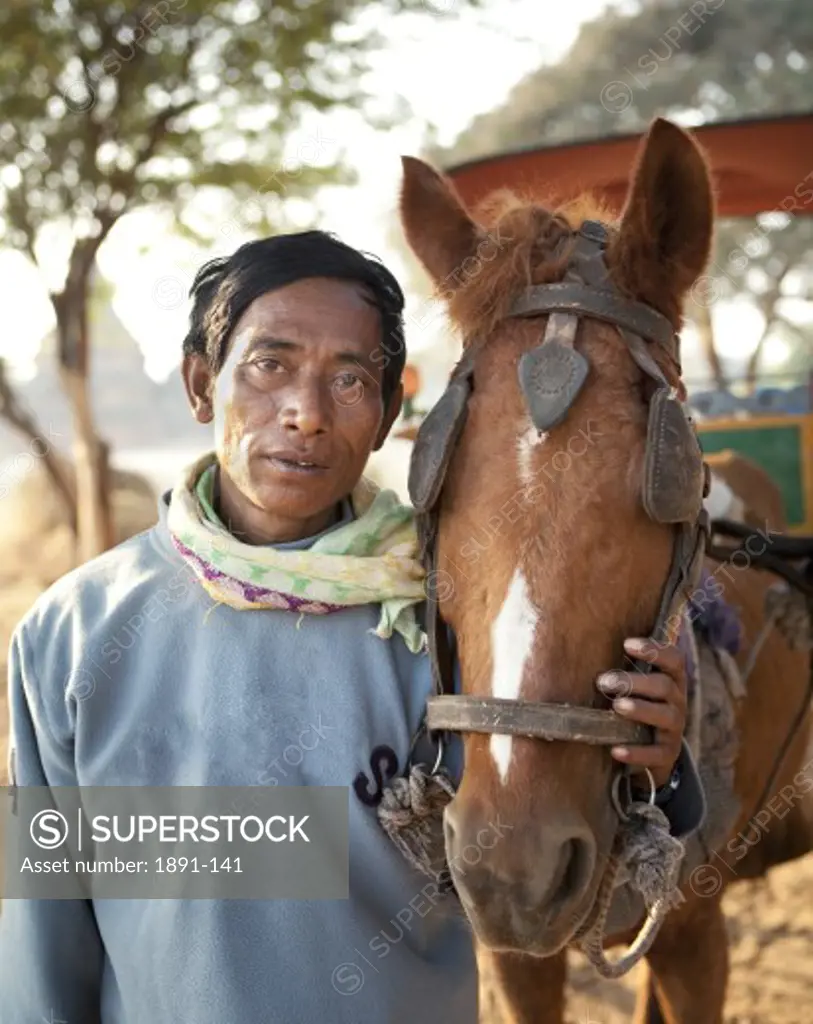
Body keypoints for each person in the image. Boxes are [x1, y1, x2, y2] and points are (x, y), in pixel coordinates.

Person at [0, 231, 703, 1023]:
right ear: (201, 385)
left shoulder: (445, 621)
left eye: (349, 378)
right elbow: (46, 926)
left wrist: (653, 770)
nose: (305, 414)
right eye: (269, 366)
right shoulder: (74, 633)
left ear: (386, 414)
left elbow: (544, 874)